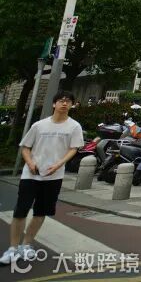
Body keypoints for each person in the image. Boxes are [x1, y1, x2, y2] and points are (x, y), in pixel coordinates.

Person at [2, 92, 84, 266]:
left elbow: (73, 148)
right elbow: (25, 147)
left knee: (40, 212)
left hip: (53, 177)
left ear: (72, 105)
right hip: (31, 175)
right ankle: (12, 248)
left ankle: (26, 245)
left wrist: (59, 164)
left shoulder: (74, 126)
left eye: (68, 101)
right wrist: (30, 163)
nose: (64, 104)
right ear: (54, 104)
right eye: (61, 101)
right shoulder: (39, 125)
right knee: (20, 211)